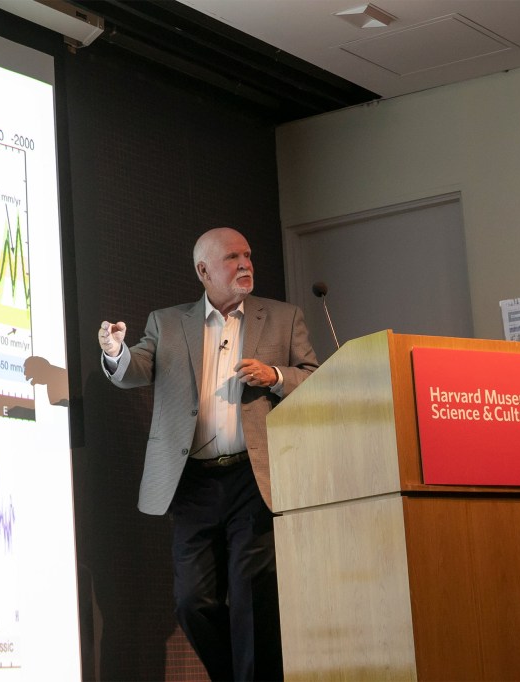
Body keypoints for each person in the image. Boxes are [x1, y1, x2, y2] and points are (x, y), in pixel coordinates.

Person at [97, 226, 319, 681]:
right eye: (233, 258)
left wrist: (275, 374)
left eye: (248, 255)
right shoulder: (168, 322)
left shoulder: (282, 317)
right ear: (203, 271)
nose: (246, 264)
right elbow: (136, 370)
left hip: (252, 477)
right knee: (192, 601)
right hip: (193, 482)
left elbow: (314, 377)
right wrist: (116, 350)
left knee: (252, 594)